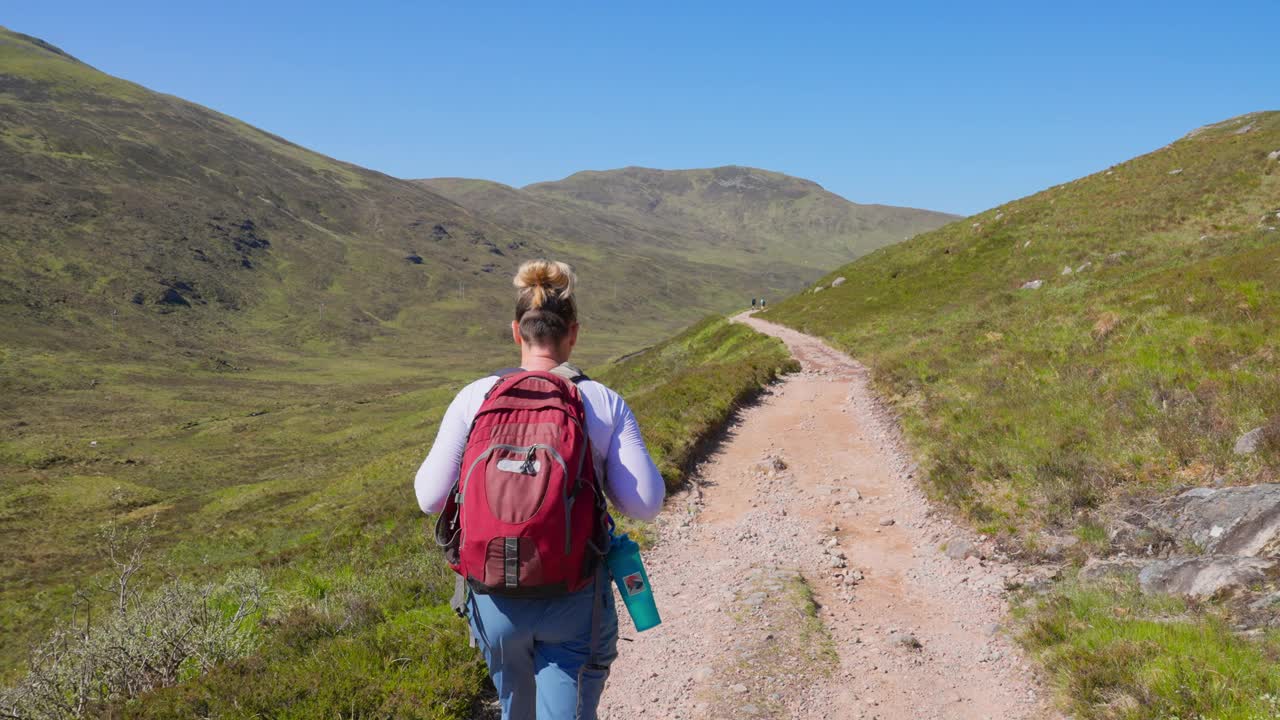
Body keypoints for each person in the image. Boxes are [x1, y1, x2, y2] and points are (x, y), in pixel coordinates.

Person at [415, 259, 665, 719]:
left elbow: (429, 497)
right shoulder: (603, 401)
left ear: (517, 331)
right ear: (573, 333)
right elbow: (645, 504)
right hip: (573, 592)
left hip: (493, 596)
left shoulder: (475, 396)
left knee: (515, 706)